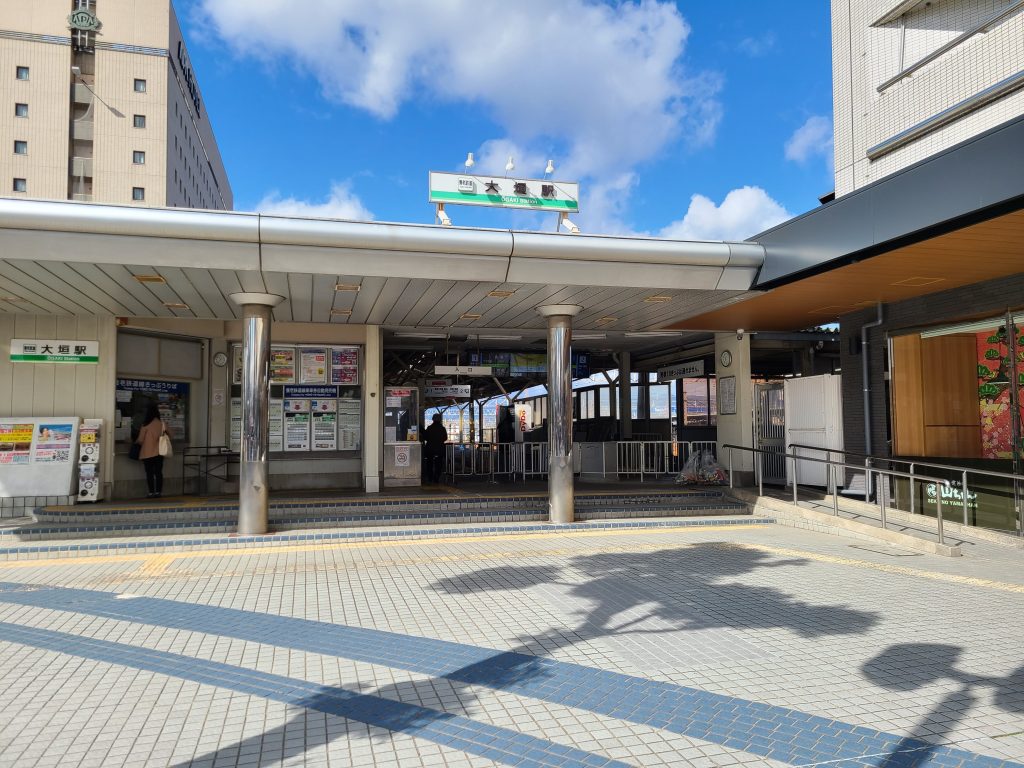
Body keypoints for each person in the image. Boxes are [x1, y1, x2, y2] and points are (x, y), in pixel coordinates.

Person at [136, 403, 166, 498]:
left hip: (147, 453)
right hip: (160, 452)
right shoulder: (162, 424)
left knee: (149, 473)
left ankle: (151, 492)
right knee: (158, 472)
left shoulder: (145, 425)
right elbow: (172, 435)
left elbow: (140, 440)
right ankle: (158, 492)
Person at [422, 413, 448, 484]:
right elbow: (445, 438)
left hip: (430, 449)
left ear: (433, 419)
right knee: (438, 464)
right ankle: (436, 478)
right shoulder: (442, 429)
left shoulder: (429, 428)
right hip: (439, 449)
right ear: (440, 420)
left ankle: (430, 478)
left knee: (429, 463)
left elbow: (425, 437)